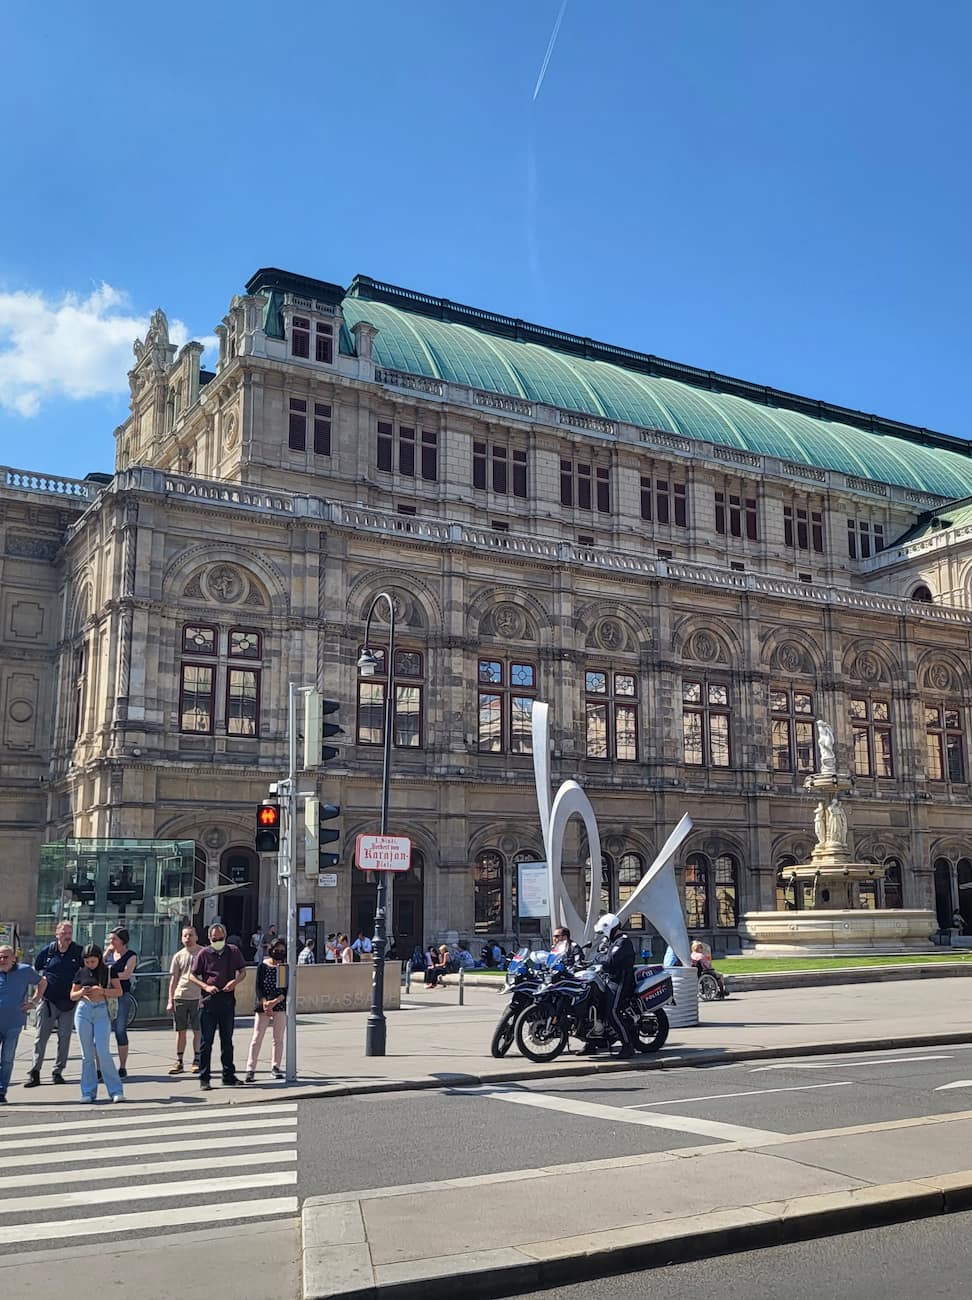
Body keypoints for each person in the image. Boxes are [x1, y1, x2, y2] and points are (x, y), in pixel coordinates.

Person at [189, 923, 247, 1091]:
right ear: (209, 938)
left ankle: (228, 1075)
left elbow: (243, 971)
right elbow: (192, 975)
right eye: (215, 939)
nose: (218, 941)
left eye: (220, 938)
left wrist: (234, 982)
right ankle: (204, 1078)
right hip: (208, 1001)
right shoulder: (204, 953)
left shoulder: (233, 951)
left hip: (227, 1000)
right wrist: (205, 986)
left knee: (227, 1041)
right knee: (206, 1042)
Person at [26, 920, 83, 1087]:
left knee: (64, 1038)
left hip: (68, 1002)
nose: (67, 936)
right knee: (40, 1037)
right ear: (57, 934)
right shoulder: (48, 951)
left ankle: (58, 1071)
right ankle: (35, 1071)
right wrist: (37, 995)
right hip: (48, 1001)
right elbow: (38, 972)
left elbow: (85, 972)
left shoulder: (77, 951)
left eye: (69, 933)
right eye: (64, 933)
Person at [70, 943, 124, 1102]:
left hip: (101, 1010)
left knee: (103, 1051)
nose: (90, 964)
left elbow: (119, 991)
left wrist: (102, 991)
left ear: (99, 959)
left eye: (93, 961)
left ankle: (115, 1090)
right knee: (87, 1055)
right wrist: (82, 992)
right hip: (83, 1010)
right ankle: (88, 1092)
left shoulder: (108, 970)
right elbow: (72, 995)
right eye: (87, 961)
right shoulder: (81, 972)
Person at [0, 945, 41, 1103]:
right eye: (0, 956)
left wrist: (34, 1001)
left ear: (13, 958)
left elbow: (42, 982)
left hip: (13, 1024)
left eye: (6, 957)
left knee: (7, 1059)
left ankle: (2, 1091)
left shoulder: (24, 971)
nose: (2, 960)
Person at [593, 913, 636, 1058]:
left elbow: (610, 960)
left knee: (612, 1011)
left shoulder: (622, 942)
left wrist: (597, 957)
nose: (602, 935)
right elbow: (604, 956)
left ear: (610, 928)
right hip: (608, 978)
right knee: (595, 1004)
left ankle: (627, 1045)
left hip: (620, 981)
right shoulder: (612, 941)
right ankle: (591, 1043)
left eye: (603, 932)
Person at [245, 938, 287, 1082]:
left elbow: (283, 990)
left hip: (279, 1006)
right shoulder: (263, 966)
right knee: (257, 1037)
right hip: (263, 1005)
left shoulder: (282, 968)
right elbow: (258, 987)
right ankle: (250, 1068)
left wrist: (274, 1002)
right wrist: (265, 1003)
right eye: (277, 950)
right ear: (271, 950)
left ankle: (275, 1066)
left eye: (282, 950)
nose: (279, 953)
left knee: (278, 1038)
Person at [166, 925, 202, 1074]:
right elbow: (174, 980)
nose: (188, 938)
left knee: (197, 1030)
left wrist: (204, 996)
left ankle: (197, 1060)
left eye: (190, 935)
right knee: (180, 1031)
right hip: (180, 996)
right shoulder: (178, 956)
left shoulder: (203, 953)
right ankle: (179, 1061)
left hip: (197, 997)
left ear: (196, 937)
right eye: (185, 935)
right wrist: (170, 1000)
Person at [103, 926, 138, 1077]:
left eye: (114, 939)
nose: (111, 942)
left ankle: (122, 1066)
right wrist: (107, 953)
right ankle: (102, 1065)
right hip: (106, 994)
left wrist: (110, 975)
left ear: (122, 941)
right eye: (110, 939)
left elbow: (126, 974)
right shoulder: (109, 954)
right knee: (103, 1029)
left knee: (120, 1029)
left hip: (122, 994)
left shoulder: (131, 955)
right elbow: (99, 967)